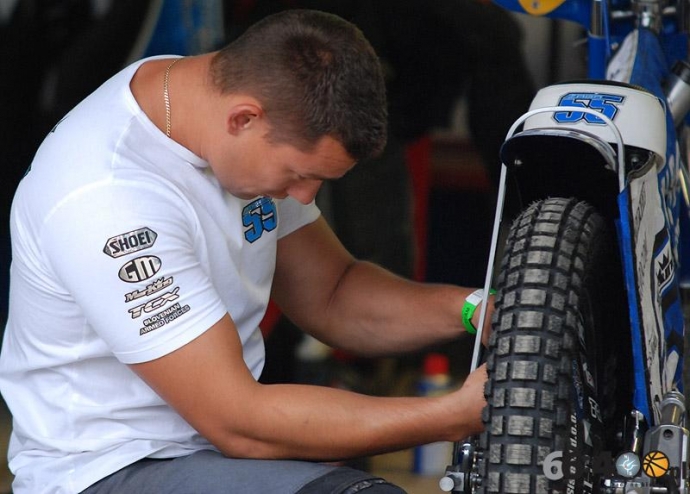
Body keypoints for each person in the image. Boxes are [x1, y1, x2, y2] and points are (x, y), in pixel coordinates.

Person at [0, 9, 492, 494]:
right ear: (244, 118)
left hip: (212, 450)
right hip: (107, 469)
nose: (306, 197)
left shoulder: (216, 102)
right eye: (301, 176)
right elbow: (239, 423)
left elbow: (333, 293)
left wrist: (477, 309)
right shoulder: (107, 199)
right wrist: (451, 415)